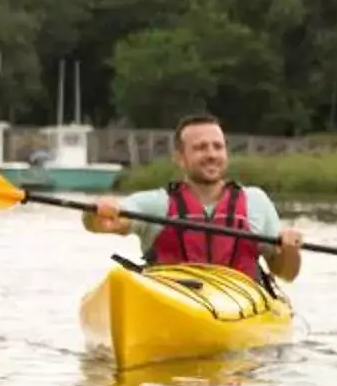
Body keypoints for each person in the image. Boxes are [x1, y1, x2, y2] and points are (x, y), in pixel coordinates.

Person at [84, 115, 304, 284]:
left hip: (240, 304)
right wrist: (97, 210)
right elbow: (102, 223)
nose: (211, 154)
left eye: (218, 147)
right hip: (171, 299)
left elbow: (286, 273)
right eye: (200, 148)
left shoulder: (256, 201)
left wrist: (290, 250)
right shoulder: (155, 204)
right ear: (179, 158)